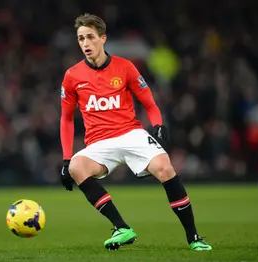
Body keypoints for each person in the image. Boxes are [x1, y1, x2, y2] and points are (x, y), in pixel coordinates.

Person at [59, 13, 212, 251]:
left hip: (131, 134)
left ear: (103, 38)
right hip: (99, 143)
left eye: (90, 37)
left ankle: (193, 237)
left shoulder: (125, 67)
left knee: (165, 168)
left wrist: (158, 124)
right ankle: (121, 227)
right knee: (76, 168)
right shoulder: (72, 76)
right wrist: (67, 158)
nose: (85, 44)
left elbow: (150, 104)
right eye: (81, 39)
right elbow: (66, 119)